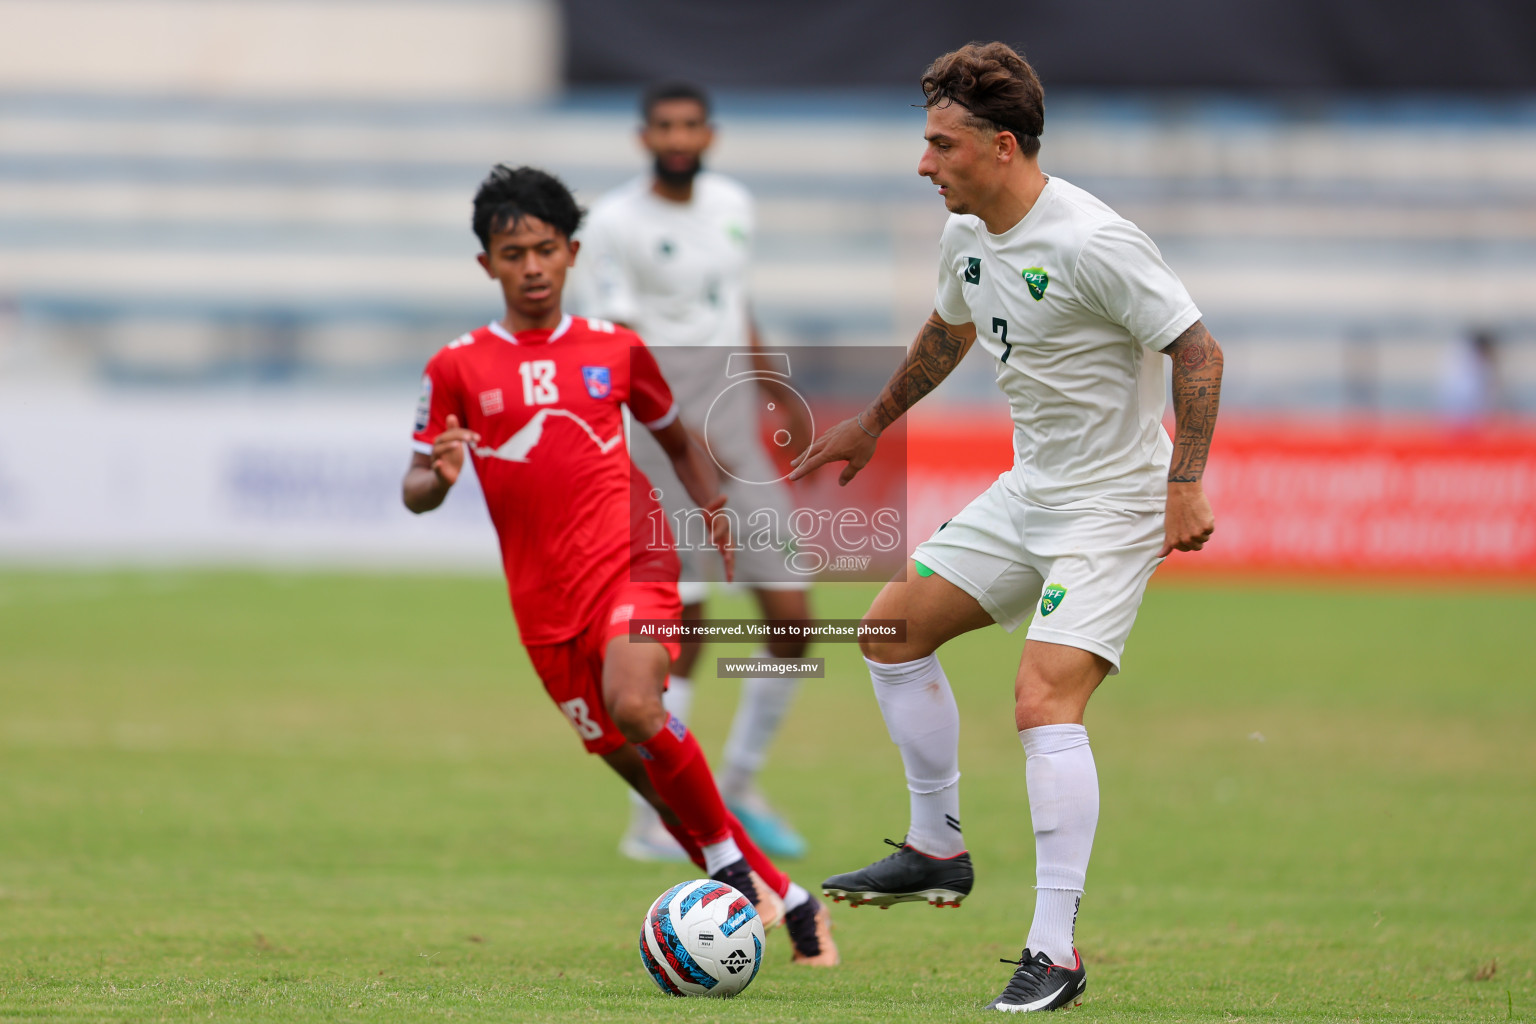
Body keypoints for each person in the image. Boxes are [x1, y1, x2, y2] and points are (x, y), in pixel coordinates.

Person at [790, 43, 1223, 1011]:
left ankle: (1055, 951)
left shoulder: (1094, 241)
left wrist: (1185, 483)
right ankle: (937, 845)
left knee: (1041, 701)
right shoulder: (967, 233)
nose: (923, 162)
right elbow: (949, 330)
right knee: (891, 630)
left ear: (1001, 144)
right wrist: (872, 421)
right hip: (1033, 488)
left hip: (1115, 500)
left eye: (940, 144)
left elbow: (1196, 348)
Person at [403, 164, 836, 966]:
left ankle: (730, 875)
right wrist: (441, 473)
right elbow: (415, 487)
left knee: (639, 704)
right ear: (486, 265)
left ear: (571, 253)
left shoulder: (616, 348)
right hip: (543, 604)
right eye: (511, 253)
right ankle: (789, 896)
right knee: (650, 773)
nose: (530, 267)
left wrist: (712, 516)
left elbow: (678, 442)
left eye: (543, 249)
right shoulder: (456, 368)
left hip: (636, 558)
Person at [578, 81, 815, 861]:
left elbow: (732, 301)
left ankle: (739, 783)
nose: (679, 138)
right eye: (665, 126)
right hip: (660, 443)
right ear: (643, 136)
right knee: (685, 625)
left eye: (690, 126)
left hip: (736, 436)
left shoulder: (733, 204)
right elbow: (620, 341)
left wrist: (773, 390)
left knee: (793, 620)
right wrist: (677, 436)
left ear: (709, 136)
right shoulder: (613, 224)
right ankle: (656, 813)